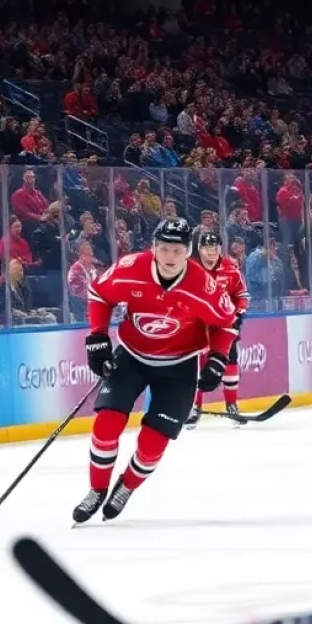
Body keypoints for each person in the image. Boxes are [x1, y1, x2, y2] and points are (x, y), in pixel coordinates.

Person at [74, 217, 238, 524]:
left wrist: (217, 358)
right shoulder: (130, 268)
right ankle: (96, 490)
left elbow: (226, 323)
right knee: (106, 425)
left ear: (188, 251)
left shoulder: (204, 286)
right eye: (163, 249)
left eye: (177, 250)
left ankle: (126, 487)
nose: (169, 257)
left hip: (178, 367)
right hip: (132, 356)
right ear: (153, 248)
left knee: (152, 444)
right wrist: (97, 336)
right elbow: (99, 294)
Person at [186, 231, 250, 428]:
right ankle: (194, 407)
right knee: (197, 367)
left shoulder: (230, 269)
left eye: (214, 248)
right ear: (199, 249)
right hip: (199, 326)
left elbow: (242, 295)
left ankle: (232, 405)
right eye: (207, 248)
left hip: (224, 326)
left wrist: (238, 314)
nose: (211, 252)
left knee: (229, 363)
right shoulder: (190, 269)